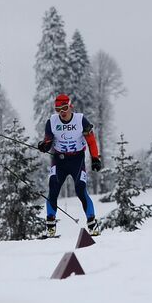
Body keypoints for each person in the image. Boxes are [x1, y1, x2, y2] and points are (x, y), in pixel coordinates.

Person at [37, 93, 103, 237]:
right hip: (59, 160)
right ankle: (50, 225)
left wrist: (95, 158)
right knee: (53, 186)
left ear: (70, 106)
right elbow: (48, 141)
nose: (62, 112)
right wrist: (44, 146)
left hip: (77, 160)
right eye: (58, 109)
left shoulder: (80, 120)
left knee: (80, 189)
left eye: (65, 108)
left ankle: (92, 223)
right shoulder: (52, 122)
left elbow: (91, 141)